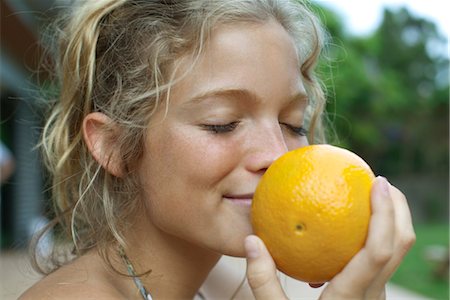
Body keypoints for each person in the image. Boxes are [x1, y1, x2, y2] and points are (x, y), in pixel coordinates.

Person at [20, 0, 415, 299]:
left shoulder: (223, 282)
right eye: (221, 123)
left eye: (292, 123)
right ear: (114, 145)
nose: (279, 156)